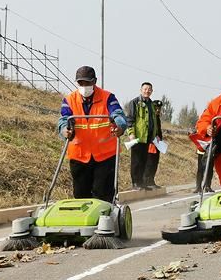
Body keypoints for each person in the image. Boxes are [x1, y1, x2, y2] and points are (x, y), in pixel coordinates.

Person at [57, 66, 127, 202]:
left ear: (94, 81)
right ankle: (84, 221)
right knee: (80, 195)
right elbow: (64, 119)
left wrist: (120, 125)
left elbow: (117, 113)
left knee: (102, 193)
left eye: (87, 83)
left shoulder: (107, 97)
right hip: (79, 155)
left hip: (105, 156)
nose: (84, 86)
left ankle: (105, 220)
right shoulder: (69, 100)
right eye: (80, 83)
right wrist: (65, 130)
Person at [125, 82, 156, 190]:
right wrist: (131, 133)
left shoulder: (151, 104)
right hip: (137, 137)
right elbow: (130, 119)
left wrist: (154, 135)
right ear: (141, 90)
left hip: (147, 137)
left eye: (149, 89)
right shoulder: (134, 103)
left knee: (144, 160)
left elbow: (153, 121)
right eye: (145, 89)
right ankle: (135, 183)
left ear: (152, 91)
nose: (147, 91)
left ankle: (141, 183)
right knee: (136, 161)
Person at [143, 99, 164, 189]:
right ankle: (146, 181)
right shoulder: (150, 118)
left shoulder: (157, 118)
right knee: (149, 163)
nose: (158, 110)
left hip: (157, 144)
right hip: (150, 144)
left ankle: (151, 180)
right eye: (156, 108)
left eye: (159, 108)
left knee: (155, 163)